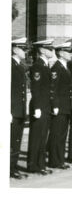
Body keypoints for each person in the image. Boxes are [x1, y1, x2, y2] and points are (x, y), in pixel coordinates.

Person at [27, 39, 54, 175]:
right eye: (49, 48)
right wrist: (37, 106)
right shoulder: (38, 66)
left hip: (45, 106)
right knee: (37, 136)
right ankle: (33, 165)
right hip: (40, 106)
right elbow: (36, 88)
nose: (52, 51)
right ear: (42, 50)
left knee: (43, 136)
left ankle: (40, 164)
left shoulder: (46, 65)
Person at [47, 41, 72, 170]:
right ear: (62, 53)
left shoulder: (65, 67)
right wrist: (55, 105)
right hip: (60, 106)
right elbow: (53, 88)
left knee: (62, 134)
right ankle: (54, 160)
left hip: (66, 106)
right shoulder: (57, 68)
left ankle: (60, 159)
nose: (71, 54)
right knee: (56, 134)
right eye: (68, 52)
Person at [10, 37, 29, 179]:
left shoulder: (19, 66)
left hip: (19, 110)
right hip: (13, 110)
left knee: (17, 140)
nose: (25, 52)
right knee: (11, 141)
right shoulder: (9, 65)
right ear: (15, 49)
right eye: (23, 49)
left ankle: (13, 167)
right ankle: (9, 168)